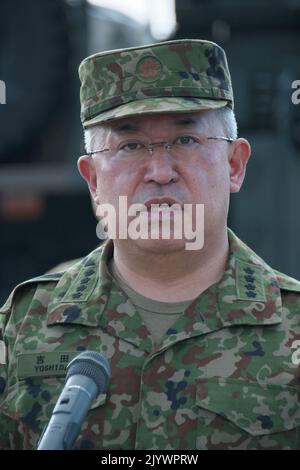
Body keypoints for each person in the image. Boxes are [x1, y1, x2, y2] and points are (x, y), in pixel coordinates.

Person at [1, 39, 300, 451]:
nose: (160, 172)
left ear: (234, 165)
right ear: (93, 181)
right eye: (130, 146)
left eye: (187, 141)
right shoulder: (20, 328)